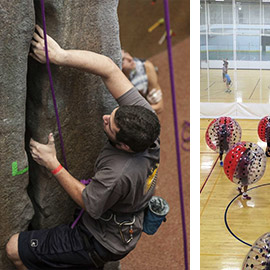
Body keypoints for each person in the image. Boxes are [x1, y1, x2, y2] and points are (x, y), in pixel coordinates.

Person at [7, 25, 161, 270]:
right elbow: (110, 69)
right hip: (125, 222)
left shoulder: (118, 172)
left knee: (15, 249)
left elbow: (88, 201)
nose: (105, 119)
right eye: (113, 114)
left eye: (110, 125)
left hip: (100, 240)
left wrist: (52, 163)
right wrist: (60, 56)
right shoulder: (145, 123)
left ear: (123, 146)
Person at [121, 50, 164, 114]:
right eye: (123, 60)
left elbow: (159, 107)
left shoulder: (146, 67)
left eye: (126, 53)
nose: (130, 58)